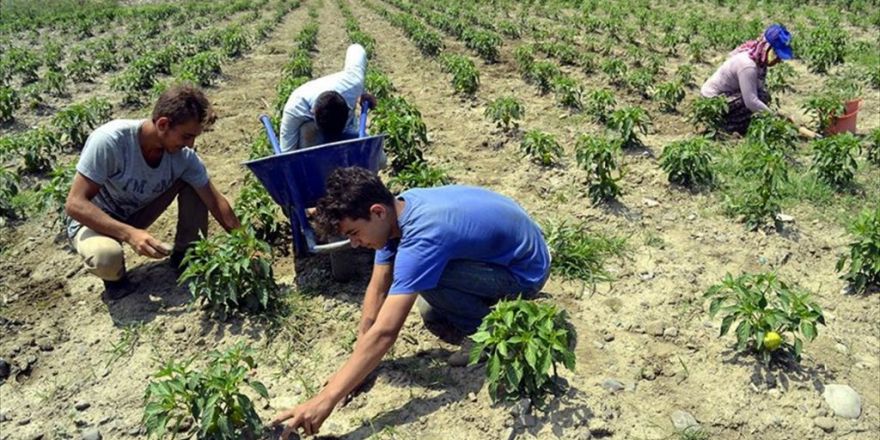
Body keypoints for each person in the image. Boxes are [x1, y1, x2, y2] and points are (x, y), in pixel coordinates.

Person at [271, 167, 551, 438]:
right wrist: (356, 366)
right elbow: (378, 287)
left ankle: (484, 333)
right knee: (429, 309)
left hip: (526, 271)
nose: (355, 244)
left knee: (429, 278)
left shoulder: (424, 234)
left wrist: (327, 399)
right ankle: (484, 308)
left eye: (354, 233)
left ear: (376, 212)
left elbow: (386, 332)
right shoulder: (398, 209)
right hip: (509, 249)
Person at [64, 84, 241, 300]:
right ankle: (116, 281)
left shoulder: (184, 157)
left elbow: (216, 202)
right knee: (106, 256)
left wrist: (247, 245)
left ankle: (187, 254)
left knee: (193, 182)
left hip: (135, 215)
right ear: (163, 124)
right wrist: (129, 233)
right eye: (186, 136)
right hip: (92, 221)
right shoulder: (111, 141)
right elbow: (75, 204)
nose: (191, 144)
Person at [700, 23, 818, 138]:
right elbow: (751, 101)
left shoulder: (759, 61)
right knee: (759, 101)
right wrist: (778, 120)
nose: (779, 60)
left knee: (763, 97)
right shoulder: (748, 65)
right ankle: (722, 127)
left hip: (726, 97)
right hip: (712, 103)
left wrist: (778, 115)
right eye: (777, 55)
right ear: (767, 48)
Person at [279, 43, 377, 152]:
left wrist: (362, 93)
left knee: (379, 158)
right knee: (306, 131)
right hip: (312, 133)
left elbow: (356, 49)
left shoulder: (353, 82)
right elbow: (287, 154)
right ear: (313, 113)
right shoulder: (295, 110)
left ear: (347, 110)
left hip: (346, 126)